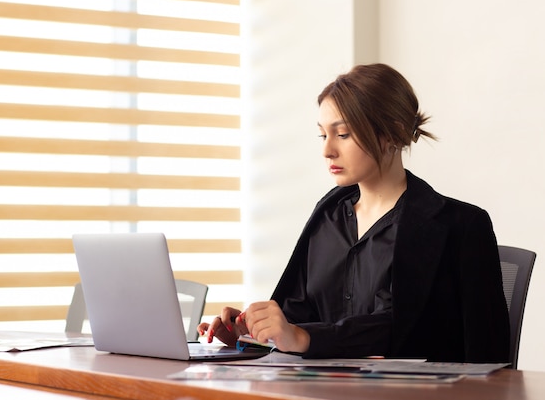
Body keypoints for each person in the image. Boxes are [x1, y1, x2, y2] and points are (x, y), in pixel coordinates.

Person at [198, 63, 510, 363]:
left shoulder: (460, 226)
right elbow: (300, 313)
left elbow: (397, 327)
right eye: (323, 134)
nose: (327, 150)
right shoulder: (328, 215)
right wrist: (252, 332)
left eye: (343, 134)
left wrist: (303, 338)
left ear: (393, 134)